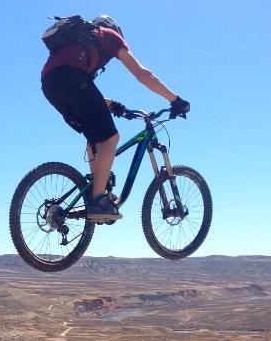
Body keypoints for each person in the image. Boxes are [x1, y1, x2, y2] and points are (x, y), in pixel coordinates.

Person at [41, 14, 190, 221]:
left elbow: (80, 91)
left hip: (49, 85)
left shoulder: (79, 46)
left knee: (94, 136)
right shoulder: (109, 35)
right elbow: (143, 75)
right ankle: (98, 200)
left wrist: (116, 106)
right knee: (110, 138)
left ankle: (96, 187)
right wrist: (175, 100)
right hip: (72, 80)